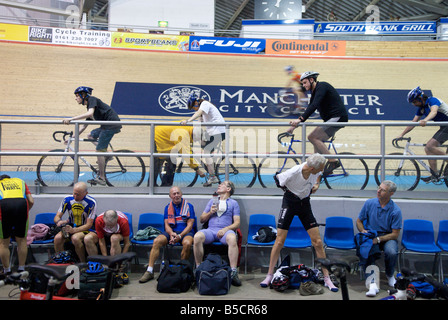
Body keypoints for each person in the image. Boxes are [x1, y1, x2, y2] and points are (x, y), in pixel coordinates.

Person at [260, 153, 338, 292]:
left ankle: (327, 278)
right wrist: (290, 190)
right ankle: (269, 275)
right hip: (290, 203)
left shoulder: (316, 170)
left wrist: (317, 184)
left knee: (318, 242)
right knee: (279, 241)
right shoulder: (294, 172)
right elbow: (278, 179)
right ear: (312, 168)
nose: (322, 169)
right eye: (320, 168)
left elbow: (319, 174)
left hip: (305, 205)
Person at [287, 71, 348, 175]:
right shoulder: (315, 92)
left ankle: (333, 161)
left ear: (312, 80)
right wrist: (294, 126)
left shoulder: (322, 86)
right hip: (331, 119)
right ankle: (317, 174)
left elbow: (314, 105)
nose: (304, 85)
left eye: (305, 82)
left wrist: (299, 119)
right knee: (316, 152)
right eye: (302, 83)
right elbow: (309, 109)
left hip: (337, 117)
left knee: (312, 137)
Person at [63, 86, 122, 186]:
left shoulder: (92, 100)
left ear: (83, 95)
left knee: (99, 151)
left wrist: (71, 119)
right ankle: (107, 155)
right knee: (90, 135)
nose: (76, 98)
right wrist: (73, 138)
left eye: (77, 95)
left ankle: (102, 178)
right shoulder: (91, 107)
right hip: (106, 126)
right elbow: (84, 126)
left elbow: (89, 113)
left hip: (110, 125)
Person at [139, 186, 196, 283]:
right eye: (174, 194)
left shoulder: (189, 206)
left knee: (187, 243)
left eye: (178, 193)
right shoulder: (167, 207)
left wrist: (180, 236)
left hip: (186, 233)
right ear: (170, 196)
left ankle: (181, 271)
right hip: (172, 232)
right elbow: (166, 225)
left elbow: (190, 226)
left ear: (181, 194)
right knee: (157, 241)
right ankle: (150, 271)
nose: (176, 195)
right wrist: (171, 234)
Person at [356, 180, 402, 297]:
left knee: (391, 252)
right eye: (379, 188)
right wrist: (363, 230)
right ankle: (372, 283)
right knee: (368, 251)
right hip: (371, 234)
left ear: (391, 193)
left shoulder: (395, 211)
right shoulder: (369, 203)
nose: (378, 191)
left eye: (383, 190)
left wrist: (379, 239)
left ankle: (390, 274)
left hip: (387, 236)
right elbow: (359, 221)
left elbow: (395, 234)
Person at [193, 181, 241, 286]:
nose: (219, 185)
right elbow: (201, 219)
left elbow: (237, 222)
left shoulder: (233, 203)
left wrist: (225, 229)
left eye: (223, 184)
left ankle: (233, 271)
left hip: (225, 231)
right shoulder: (212, 201)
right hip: (211, 230)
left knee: (232, 238)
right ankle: (199, 269)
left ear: (228, 189)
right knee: (197, 237)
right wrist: (210, 212)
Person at [396, 86, 448, 182]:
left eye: (415, 102)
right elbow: (413, 123)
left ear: (420, 98)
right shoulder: (421, 108)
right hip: (444, 126)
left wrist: (425, 120)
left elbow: (434, 112)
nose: (414, 104)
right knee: (428, 148)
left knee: (430, 146)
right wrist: (401, 134)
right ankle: (434, 175)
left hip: (447, 125)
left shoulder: (433, 100)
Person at [180, 93, 225, 187]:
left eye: (193, 107)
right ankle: (211, 165)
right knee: (201, 142)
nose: (194, 109)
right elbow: (198, 123)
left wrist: (187, 120)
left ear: (196, 103)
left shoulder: (204, 104)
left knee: (206, 152)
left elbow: (197, 113)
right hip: (213, 132)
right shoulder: (203, 112)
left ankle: (212, 177)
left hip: (218, 131)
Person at [53, 182, 97, 262]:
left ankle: (82, 262)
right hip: (71, 227)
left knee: (75, 238)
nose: (75, 196)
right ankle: (62, 262)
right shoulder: (67, 199)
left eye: (78, 195)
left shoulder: (91, 202)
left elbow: (89, 225)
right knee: (57, 238)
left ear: (85, 193)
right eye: (74, 193)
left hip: (85, 228)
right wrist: (59, 221)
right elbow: (57, 217)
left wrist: (74, 230)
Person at [0, 175, 34, 274]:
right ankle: (21, 269)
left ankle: (7, 271)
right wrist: (25, 212)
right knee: (22, 240)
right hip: (22, 205)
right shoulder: (20, 181)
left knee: (3, 243)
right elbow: (31, 201)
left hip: (4, 205)